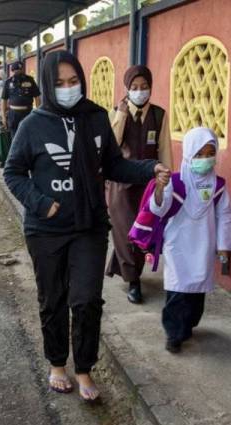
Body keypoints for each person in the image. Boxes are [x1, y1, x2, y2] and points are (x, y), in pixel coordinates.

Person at [3, 51, 170, 401]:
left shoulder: (95, 117)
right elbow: (13, 172)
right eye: (60, 83)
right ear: (48, 85)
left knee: (86, 301)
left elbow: (113, 165)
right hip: (46, 230)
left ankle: (83, 369)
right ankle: (57, 365)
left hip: (89, 225)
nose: (68, 88)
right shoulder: (33, 124)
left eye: (73, 81)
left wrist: (147, 168)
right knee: (53, 300)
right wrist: (42, 204)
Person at [150, 127, 231, 353]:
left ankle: (189, 325)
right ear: (188, 153)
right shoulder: (175, 182)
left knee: (196, 290)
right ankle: (174, 334)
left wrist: (224, 246)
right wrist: (159, 188)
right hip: (178, 244)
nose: (205, 159)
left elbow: (224, 215)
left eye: (210, 153)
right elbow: (159, 209)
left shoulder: (219, 185)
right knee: (178, 290)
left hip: (203, 243)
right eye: (199, 154)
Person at [106, 65, 173, 304]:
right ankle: (133, 281)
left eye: (144, 87)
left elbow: (164, 149)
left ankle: (126, 268)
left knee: (142, 231)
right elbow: (110, 147)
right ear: (126, 89)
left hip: (148, 184)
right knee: (125, 232)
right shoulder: (116, 111)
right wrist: (122, 115)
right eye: (134, 88)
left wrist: (166, 181)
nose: (140, 91)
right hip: (121, 185)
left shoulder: (159, 114)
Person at [1, 61, 41, 137]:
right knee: (14, 137)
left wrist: (38, 113)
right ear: (12, 71)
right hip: (13, 114)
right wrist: (3, 117)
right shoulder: (8, 82)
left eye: (20, 69)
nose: (18, 71)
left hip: (27, 113)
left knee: (29, 135)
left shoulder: (30, 80)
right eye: (16, 70)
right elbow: (4, 100)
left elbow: (37, 97)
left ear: (23, 70)